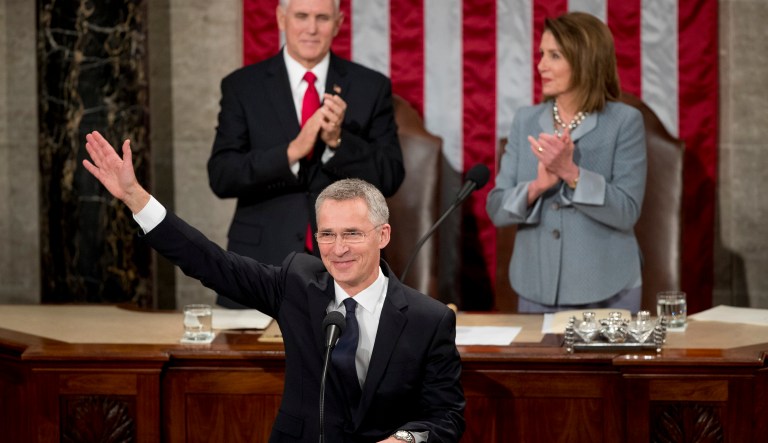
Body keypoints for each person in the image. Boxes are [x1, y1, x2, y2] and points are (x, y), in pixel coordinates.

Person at [82, 131, 464, 443]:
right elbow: (212, 262)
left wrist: (404, 441)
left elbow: (446, 417)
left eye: (352, 234)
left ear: (383, 235)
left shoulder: (427, 319)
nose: (339, 248)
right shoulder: (297, 283)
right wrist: (136, 198)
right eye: (327, 235)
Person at [207, 0, 405, 309]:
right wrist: (291, 152)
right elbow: (222, 175)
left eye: (322, 18)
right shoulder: (242, 86)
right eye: (302, 16)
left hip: (347, 266)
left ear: (338, 23)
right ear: (281, 18)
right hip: (260, 264)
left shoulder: (371, 87)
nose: (311, 28)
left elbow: (390, 176)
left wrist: (339, 141)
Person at [486, 12, 647, 313]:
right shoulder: (525, 120)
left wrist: (571, 174)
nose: (541, 65)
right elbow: (497, 209)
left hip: (607, 288)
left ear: (585, 60)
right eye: (542, 54)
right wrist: (536, 187)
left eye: (554, 56)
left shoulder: (625, 122)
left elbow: (627, 211)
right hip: (536, 287)